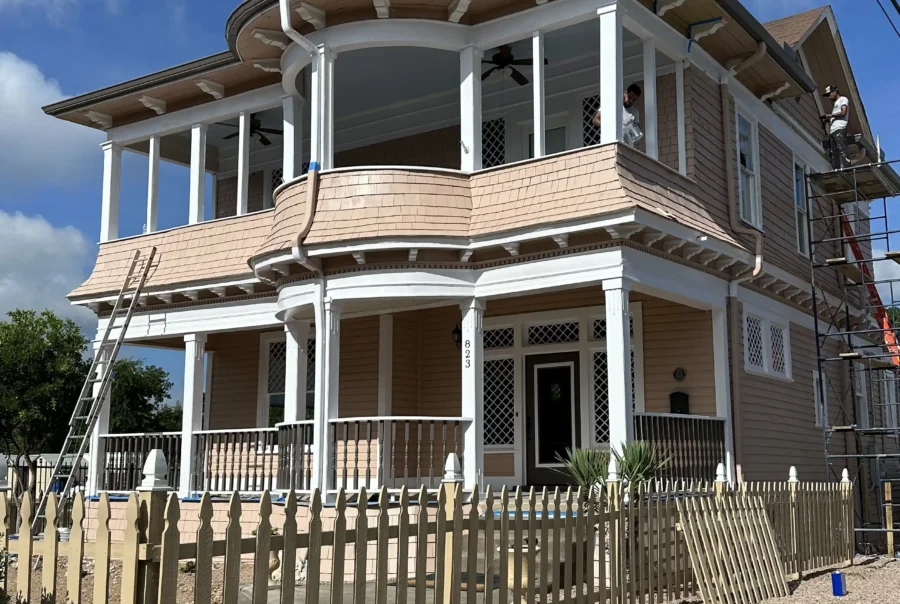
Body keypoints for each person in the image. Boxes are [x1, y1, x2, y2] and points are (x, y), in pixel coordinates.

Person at [821, 85, 850, 169]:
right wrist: (827, 120)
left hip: (840, 128)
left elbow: (843, 112)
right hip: (833, 130)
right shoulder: (835, 105)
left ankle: (847, 168)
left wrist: (830, 115)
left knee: (842, 149)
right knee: (834, 152)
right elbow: (835, 116)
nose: (829, 97)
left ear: (835, 92)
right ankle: (836, 170)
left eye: (829, 94)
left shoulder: (843, 99)